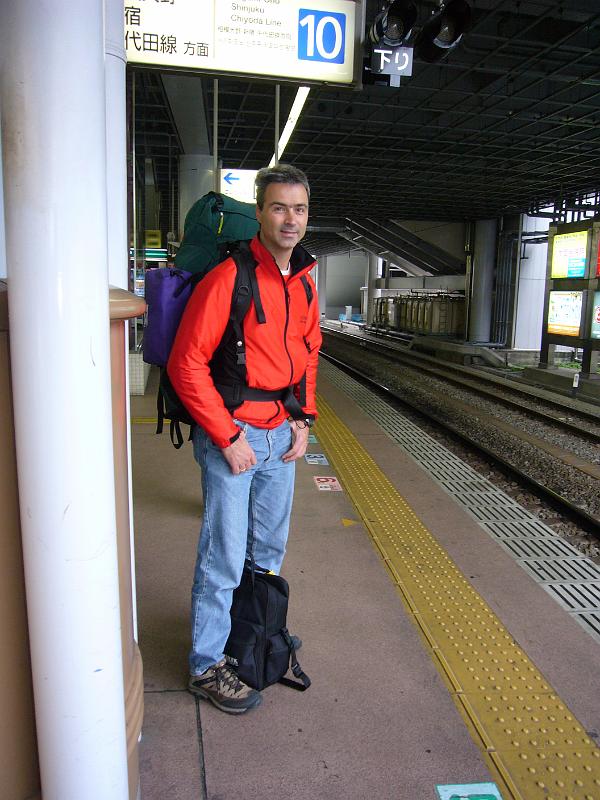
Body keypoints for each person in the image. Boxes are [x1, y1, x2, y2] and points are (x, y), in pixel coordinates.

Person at [167, 164, 321, 714]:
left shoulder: (303, 280)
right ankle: (206, 664)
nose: (290, 219)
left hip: (281, 434)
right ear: (259, 213)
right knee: (224, 556)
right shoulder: (229, 277)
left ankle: (253, 634)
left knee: (267, 551)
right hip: (233, 434)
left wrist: (304, 419)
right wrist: (228, 436)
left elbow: (307, 352)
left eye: (299, 209)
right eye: (279, 207)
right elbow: (187, 365)